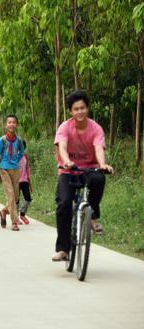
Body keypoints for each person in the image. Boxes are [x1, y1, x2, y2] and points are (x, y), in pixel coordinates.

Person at [52, 90, 114, 261]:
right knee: (64, 205)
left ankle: (92, 215)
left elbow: (99, 148)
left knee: (99, 178)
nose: (80, 112)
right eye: (76, 109)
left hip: (89, 170)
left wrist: (102, 165)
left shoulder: (96, 128)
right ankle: (63, 249)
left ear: (88, 109)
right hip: (68, 170)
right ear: (71, 111)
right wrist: (66, 161)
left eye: (83, 108)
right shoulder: (65, 127)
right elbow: (62, 147)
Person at [0, 115, 25, 231]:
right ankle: (14, 222)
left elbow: (21, 153)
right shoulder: (2, 140)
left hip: (15, 170)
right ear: (5, 125)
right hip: (4, 169)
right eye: (9, 122)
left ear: (16, 125)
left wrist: (16, 161)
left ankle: (4, 211)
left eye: (14, 122)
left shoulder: (19, 140)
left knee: (16, 197)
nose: (11, 124)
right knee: (11, 195)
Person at [17, 140, 32, 225]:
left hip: (25, 180)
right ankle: (15, 218)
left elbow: (27, 169)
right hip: (16, 181)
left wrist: (29, 182)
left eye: (22, 146)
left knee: (28, 198)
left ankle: (22, 214)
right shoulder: (14, 156)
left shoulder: (25, 156)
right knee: (17, 200)